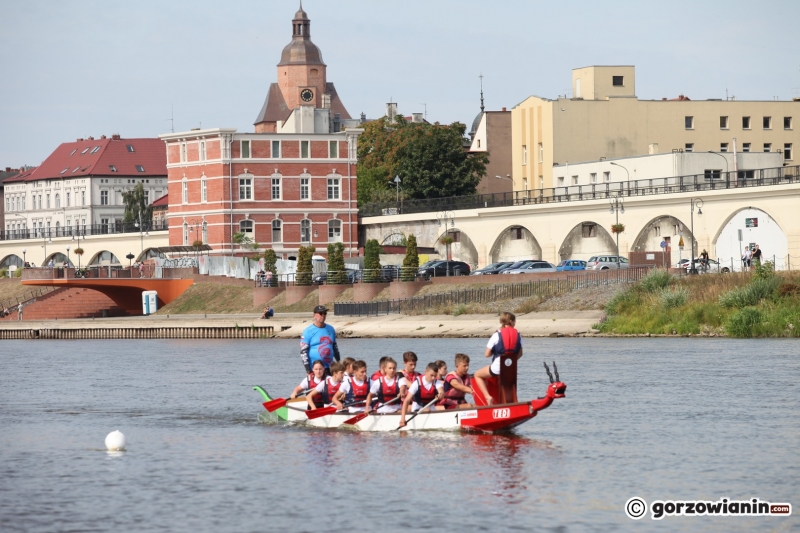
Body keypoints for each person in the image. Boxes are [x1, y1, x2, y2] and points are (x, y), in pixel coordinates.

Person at [473, 312, 523, 405]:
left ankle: (488, 397)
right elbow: (520, 354)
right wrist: (510, 361)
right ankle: (511, 401)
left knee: (477, 375)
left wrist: (495, 352)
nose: (515, 323)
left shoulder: (496, 334)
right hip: (512, 368)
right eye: (515, 321)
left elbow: (487, 354)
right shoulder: (518, 334)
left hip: (498, 367)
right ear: (511, 321)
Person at [399, 362, 445, 427]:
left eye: (435, 376)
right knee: (428, 410)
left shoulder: (437, 382)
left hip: (430, 407)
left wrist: (441, 394)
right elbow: (406, 401)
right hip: (417, 407)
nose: (433, 378)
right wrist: (402, 419)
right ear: (425, 372)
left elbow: (441, 390)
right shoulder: (417, 383)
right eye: (431, 375)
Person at [300, 305, 340, 374]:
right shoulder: (308, 331)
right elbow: (303, 352)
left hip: (329, 368)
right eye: (321, 313)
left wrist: (339, 363)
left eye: (325, 313)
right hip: (315, 369)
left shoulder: (331, 329)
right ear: (314, 315)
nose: (323, 315)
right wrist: (308, 370)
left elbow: (334, 347)